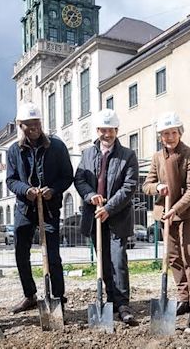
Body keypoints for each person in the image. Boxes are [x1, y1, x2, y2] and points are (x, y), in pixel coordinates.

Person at [6, 102, 73, 313]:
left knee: (52, 254)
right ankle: (30, 295)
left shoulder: (57, 146)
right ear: (20, 125)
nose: (33, 129)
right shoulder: (14, 151)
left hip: (50, 208)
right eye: (28, 125)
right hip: (24, 209)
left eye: (36, 124)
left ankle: (58, 297)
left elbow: (67, 176)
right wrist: (26, 190)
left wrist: (53, 190)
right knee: (21, 253)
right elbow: (10, 180)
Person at [74, 109, 139, 324]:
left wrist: (109, 208)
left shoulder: (128, 155)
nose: (106, 134)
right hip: (94, 218)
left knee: (118, 260)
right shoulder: (87, 154)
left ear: (116, 130)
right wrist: (90, 195)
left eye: (110, 130)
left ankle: (122, 303)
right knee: (103, 261)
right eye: (102, 130)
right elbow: (80, 179)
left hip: (117, 217)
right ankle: (108, 301)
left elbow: (129, 187)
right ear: (98, 130)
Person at [142, 111, 190, 327]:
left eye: (172, 132)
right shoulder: (157, 157)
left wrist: (175, 209)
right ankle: (183, 299)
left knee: (189, 254)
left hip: (187, 212)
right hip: (164, 212)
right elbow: (146, 184)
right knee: (173, 256)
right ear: (160, 136)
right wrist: (157, 187)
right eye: (165, 133)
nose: (168, 137)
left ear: (180, 133)